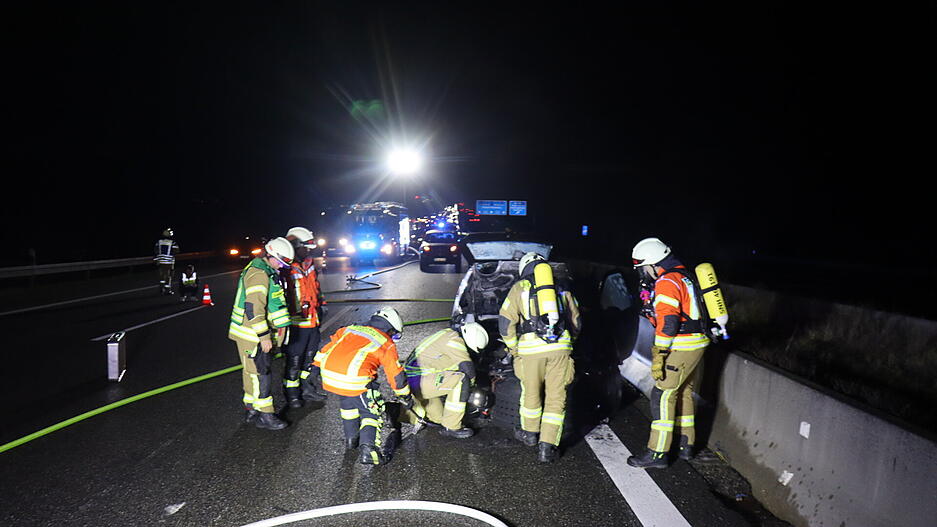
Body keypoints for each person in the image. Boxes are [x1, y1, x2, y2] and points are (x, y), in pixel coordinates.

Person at [627, 237, 709, 469]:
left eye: (643, 268)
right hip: (697, 343)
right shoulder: (685, 277)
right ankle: (686, 445)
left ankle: (657, 453)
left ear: (653, 263)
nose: (643, 273)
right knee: (683, 393)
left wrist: (660, 353)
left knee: (662, 395)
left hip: (681, 346)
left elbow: (669, 323)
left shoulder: (666, 281)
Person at [499, 252, 582, 463]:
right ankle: (547, 448)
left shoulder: (520, 288)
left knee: (531, 395)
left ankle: (530, 435)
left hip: (530, 352)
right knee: (556, 399)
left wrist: (513, 348)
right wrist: (569, 342)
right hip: (560, 350)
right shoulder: (562, 288)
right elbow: (576, 320)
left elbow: (504, 322)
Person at [313, 308, 412, 465]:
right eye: (395, 334)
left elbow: (325, 349)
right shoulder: (386, 343)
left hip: (330, 377)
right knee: (371, 412)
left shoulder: (349, 329)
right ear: (390, 328)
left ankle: (351, 440)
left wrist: (314, 369)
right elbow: (396, 375)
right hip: (355, 380)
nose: (394, 337)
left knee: (348, 406)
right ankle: (370, 452)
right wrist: (404, 395)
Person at [227, 237, 294, 430]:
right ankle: (266, 414)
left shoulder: (264, 270)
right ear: (271, 256)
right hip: (253, 335)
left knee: (250, 372)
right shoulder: (259, 274)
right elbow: (253, 308)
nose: (281, 267)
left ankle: (252, 409)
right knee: (260, 374)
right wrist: (264, 336)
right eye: (280, 263)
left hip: (249, 333)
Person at [402, 322, 489, 438]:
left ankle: (394, 412)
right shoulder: (455, 340)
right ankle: (452, 427)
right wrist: (470, 391)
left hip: (414, 380)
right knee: (462, 380)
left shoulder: (447, 335)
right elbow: (467, 369)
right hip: (418, 380)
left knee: (437, 419)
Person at [282, 226, 327, 408]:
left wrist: (321, 305)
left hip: (313, 321)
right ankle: (292, 395)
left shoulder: (308, 264)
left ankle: (307, 388)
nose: (308, 251)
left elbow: (316, 288)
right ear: (294, 245)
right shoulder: (285, 268)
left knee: (310, 358)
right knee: (294, 361)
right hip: (296, 324)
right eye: (305, 247)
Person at [154, 228, 179, 295]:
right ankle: (168, 290)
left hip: (160, 261)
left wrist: (157, 260)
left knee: (161, 276)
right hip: (169, 262)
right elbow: (176, 251)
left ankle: (161, 289)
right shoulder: (172, 242)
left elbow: (156, 251)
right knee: (169, 276)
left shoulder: (159, 242)